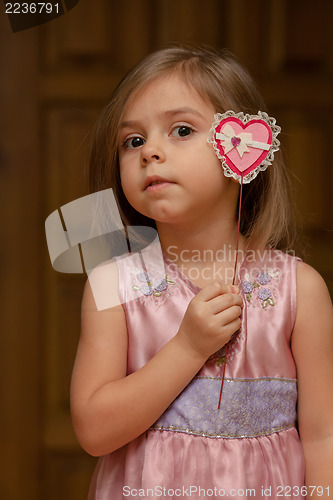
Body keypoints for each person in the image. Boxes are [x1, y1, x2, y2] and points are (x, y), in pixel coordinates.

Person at [70, 45, 333, 499]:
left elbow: (323, 435)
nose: (150, 151)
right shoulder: (112, 287)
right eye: (133, 141)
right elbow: (94, 431)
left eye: (181, 130)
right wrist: (188, 347)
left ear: (242, 150)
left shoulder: (299, 290)